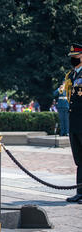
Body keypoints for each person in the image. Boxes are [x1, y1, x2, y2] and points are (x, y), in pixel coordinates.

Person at [64, 43, 82, 203]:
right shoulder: (71, 75)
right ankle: (80, 192)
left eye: (75, 56)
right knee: (79, 160)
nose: (73, 59)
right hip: (75, 122)